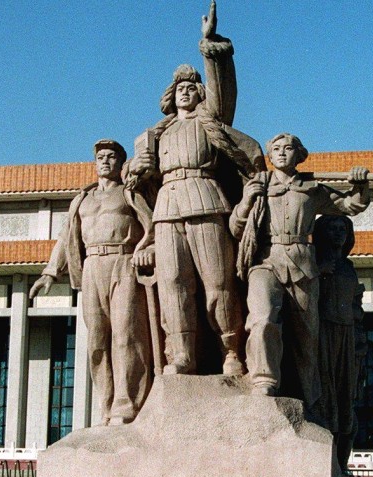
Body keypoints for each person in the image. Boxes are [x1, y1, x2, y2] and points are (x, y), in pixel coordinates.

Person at [128, 0, 263, 376]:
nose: (187, 91)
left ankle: (230, 350)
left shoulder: (212, 122)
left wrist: (211, 45)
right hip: (168, 209)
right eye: (180, 88)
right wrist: (134, 171)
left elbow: (222, 85)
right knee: (173, 285)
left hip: (206, 200)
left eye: (193, 86)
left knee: (217, 281)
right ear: (170, 96)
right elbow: (135, 182)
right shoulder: (153, 136)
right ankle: (181, 353)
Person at [230, 133, 369, 406]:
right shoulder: (259, 184)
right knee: (263, 318)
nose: (282, 153)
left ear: (300, 154)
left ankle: (307, 396)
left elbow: (349, 205)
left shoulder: (312, 188)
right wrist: (247, 201)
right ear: (269, 155)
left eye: (288, 148)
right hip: (266, 261)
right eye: (276, 149)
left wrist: (360, 184)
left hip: (304, 264)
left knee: (306, 334)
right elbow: (236, 228)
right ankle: (263, 379)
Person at [30, 140, 154, 425]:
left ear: (121, 163)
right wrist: (50, 272)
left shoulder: (130, 194)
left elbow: (154, 225)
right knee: (97, 339)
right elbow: (66, 237)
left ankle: (127, 404)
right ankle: (107, 405)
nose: (106, 161)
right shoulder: (82, 200)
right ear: (95, 162)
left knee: (126, 335)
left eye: (112, 157)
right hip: (91, 267)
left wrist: (149, 248)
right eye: (101, 157)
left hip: (123, 263)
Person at [313, 213, 368, 470]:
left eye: (342, 229)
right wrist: (316, 272)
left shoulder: (348, 268)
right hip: (323, 332)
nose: (338, 233)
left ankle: (341, 468)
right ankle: (326, 464)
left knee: (347, 401)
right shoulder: (315, 262)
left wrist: (359, 344)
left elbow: (357, 308)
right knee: (326, 395)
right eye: (332, 228)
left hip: (347, 335)